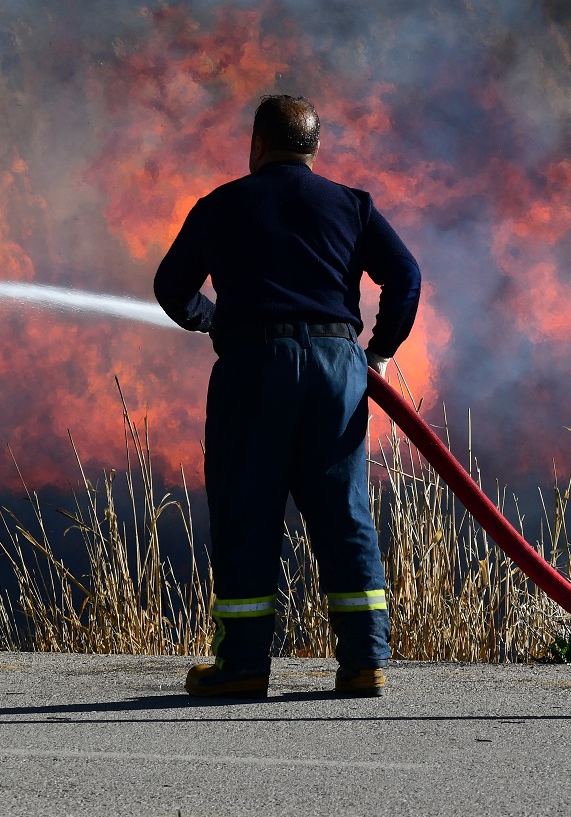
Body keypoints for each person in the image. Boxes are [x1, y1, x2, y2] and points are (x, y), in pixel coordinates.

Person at [152, 93, 423, 699]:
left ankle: (244, 666)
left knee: (247, 511)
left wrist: (210, 318)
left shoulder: (221, 204)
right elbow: (405, 276)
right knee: (344, 512)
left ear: (256, 145)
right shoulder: (351, 205)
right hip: (337, 368)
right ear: (315, 147)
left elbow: (171, 286)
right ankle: (365, 663)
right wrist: (376, 353)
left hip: (254, 366)